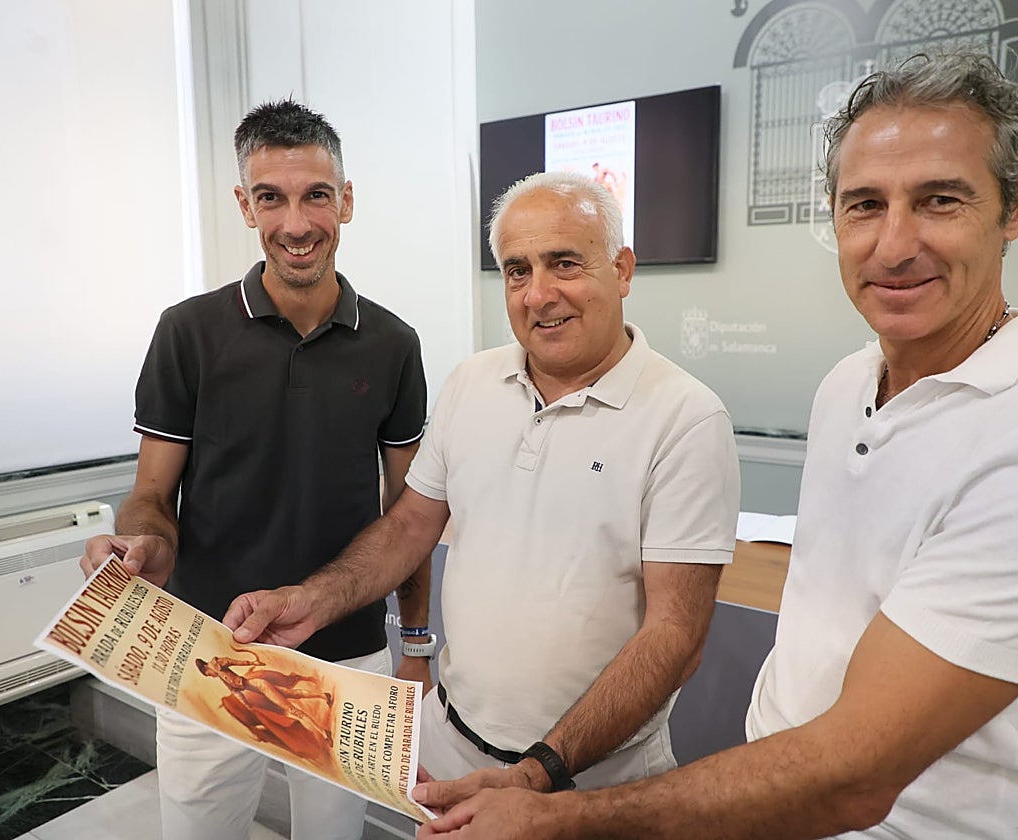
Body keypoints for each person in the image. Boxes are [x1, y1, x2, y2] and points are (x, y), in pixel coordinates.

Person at [414, 50, 1018, 840]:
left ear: (1017, 209)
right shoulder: (850, 384)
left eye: (940, 200)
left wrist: (556, 814)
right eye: (865, 205)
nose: (893, 244)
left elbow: (853, 775)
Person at [225, 171, 740, 803]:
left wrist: (537, 773)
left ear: (623, 270)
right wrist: (310, 601)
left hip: (593, 781)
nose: (539, 295)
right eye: (517, 271)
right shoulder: (472, 383)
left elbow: (675, 636)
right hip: (449, 749)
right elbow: (411, 525)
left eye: (566, 264)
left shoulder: (686, 419)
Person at [79, 98, 430, 840]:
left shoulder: (395, 345)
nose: (296, 223)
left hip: (347, 647)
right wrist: (142, 545)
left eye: (317, 195)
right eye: (271, 197)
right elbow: (151, 495)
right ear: (245, 204)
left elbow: (413, 515)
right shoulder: (187, 333)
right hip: (209, 647)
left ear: (347, 200)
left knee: (333, 835)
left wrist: (418, 646)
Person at [195, 654, 334, 758]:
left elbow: (234, 662)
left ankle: (323, 732)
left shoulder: (218, 664)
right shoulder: (222, 677)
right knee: (291, 693)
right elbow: (236, 692)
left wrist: (251, 662)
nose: (211, 676)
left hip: (261, 686)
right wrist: (247, 705)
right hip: (258, 688)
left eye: (209, 675)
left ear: (206, 669)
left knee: (292, 710)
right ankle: (323, 696)